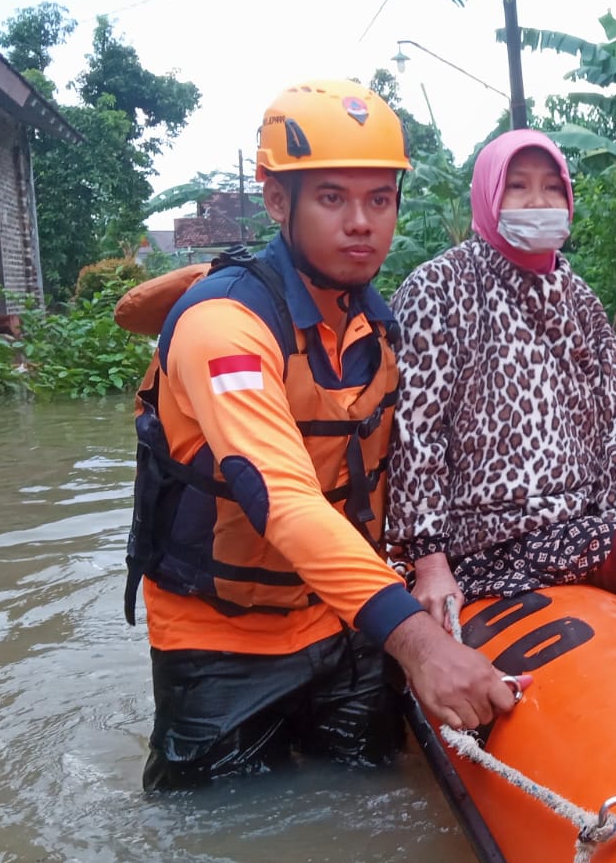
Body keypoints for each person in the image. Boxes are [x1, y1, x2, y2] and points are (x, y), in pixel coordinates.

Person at [118, 79, 519, 791]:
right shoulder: (224, 326)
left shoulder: (375, 329)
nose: (362, 223)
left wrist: (430, 565)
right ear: (278, 202)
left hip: (340, 623)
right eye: (332, 198)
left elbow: (410, 471)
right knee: (221, 827)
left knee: (373, 790)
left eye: (380, 199)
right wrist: (419, 642)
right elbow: (286, 499)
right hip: (219, 636)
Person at [384, 129, 616, 662]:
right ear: (488, 196)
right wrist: (430, 563)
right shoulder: (437, 288)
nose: (538, 203)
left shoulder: (575, 293)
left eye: (551, 188)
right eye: (518, 187)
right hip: (489, 538)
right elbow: (416, 435)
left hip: (584, 508)